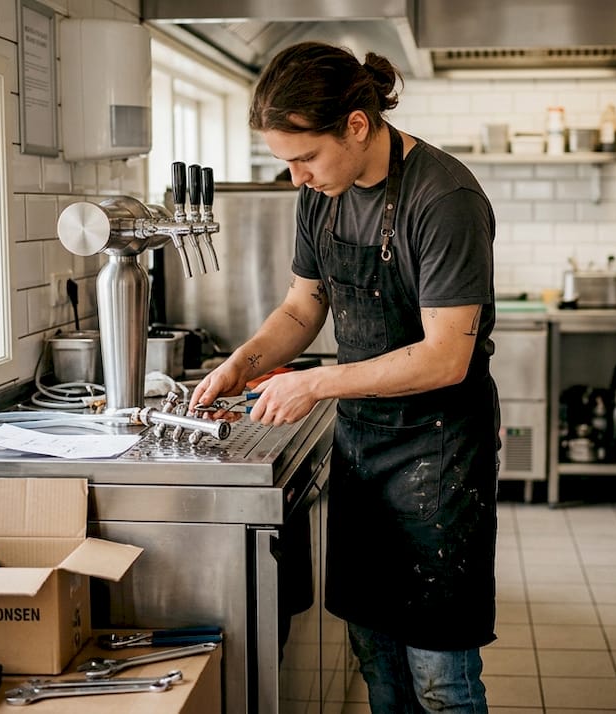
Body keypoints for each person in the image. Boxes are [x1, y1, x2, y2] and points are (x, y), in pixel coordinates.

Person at [189, 41, 499, 713]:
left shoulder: (443, 197)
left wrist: (314, 383)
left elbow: (448, 355)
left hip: (440, 453)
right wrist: (242, 365)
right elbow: (306, 304)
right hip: (365, 448)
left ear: (357, 124)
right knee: (376, 660)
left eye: (305, 157)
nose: (297, 177)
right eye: (287, 162)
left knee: (439, 677)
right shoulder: (320, 197)